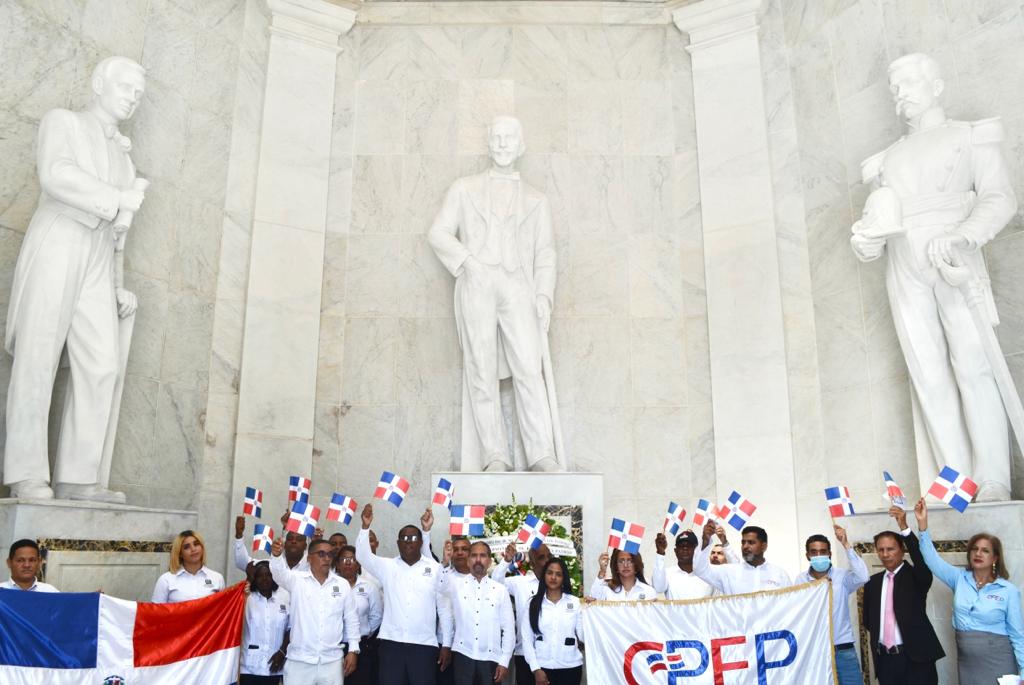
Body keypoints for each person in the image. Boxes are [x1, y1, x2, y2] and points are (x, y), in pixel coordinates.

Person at [850, 52, 1019, 501]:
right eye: (894, 88)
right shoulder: (885, 160)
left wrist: (966, 235)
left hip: (952, 251)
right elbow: (879, 218)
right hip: (904, 260)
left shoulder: (970, 136)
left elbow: (1000, 198)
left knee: (973, 364)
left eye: (908, 83)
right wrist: (867, 242)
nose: (900, 94)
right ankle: (955, 480)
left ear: (937, 86)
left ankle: (992, 477)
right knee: (927, 373)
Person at [3, 56, 148, 503]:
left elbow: (118, 234)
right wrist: (120, 196)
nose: (132, 99)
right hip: (60, 238)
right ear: (98, 83)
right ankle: (26, 473)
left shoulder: (125, 158)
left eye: (138, 94)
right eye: (125, 88)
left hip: (99, 257)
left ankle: (79, 478)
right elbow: (55, 175)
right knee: (38, 354)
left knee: (102, 364)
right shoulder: (62, 121)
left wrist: (116, 285)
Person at [428, 115, 562, 473]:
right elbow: (439, 233)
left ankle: (540, 454)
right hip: (477, 280)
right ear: (489, 144)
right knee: (481, 369)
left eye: (510, 138)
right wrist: (467, 262)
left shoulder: (537, 199)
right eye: (497, 138)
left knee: (529, 369)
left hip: (519, 285)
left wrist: (544, 296)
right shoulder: (464, 188)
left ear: (521, 146)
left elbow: (546, 252)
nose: (503, 144)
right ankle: (495, 455)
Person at [913, 497, 1024, 683]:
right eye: (974, 549)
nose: (978, 553)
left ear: (995, 558)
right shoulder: (958, 578)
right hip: (968, 663)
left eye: (985, 550)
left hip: (999, 661)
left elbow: (1018, 634)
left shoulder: (1008, 591)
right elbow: (931, 559)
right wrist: (922, 524)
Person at [356, 503, 453, 685]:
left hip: (424, 646)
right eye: (404, 538)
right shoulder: (387, 566)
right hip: (391, 644)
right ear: (398, 543)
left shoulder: (434, 568)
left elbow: (445, 609)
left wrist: (446, 644)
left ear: (421, 542)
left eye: (413, 537)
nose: (409, 541)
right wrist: (365, 527)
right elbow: (362, 556)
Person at [862, 506, 944, 684]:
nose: (885, 554)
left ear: (902, 550)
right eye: (880, 549)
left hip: (916, 659)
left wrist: (905, 527)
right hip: (886, 661)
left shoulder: (916, 577)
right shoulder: (872, 583)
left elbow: (922, 559)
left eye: (890, 549)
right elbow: (868, 621)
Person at [270, 536, 359, 685]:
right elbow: (279, 573)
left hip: (332, 662)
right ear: (309, 558)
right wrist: (277, 555)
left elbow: (351, 618)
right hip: (299, 661)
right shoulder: (296, 580)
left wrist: (353, 650)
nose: (326, 558)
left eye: (330, 554)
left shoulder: (342, 585)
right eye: (321, 554)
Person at [794, 525, 870, 685]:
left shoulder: (842, 576)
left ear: (829, 553)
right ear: (807, 555)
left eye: (822, 551)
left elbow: (863, 576)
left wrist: (846, 544)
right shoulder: (800, 581)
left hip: (842, 649)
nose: (818, 555)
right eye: (814, 552)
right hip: (815, 651)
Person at [447, 541, 514, 684]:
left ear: (489, 561)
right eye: (474, 556)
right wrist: (445, 561)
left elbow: (508, 629)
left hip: (491, 659)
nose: (478, 560)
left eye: (482, 556)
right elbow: (439, 587)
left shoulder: (500, 590)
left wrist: (504, 661)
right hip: (462, 655)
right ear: (468, 560)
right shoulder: (455, 586)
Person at [492, 541, 552, 685]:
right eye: (541, 558)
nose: (547, 561)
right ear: (531, 564)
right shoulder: (520, 583)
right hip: (525, 655)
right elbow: (496, 583)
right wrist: (506, 561)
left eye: (549, 556)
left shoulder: (560, 583)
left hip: (553, 656)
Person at [521, 558, 583, 685]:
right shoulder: (533, 603)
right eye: (550, 573)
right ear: (544, 575)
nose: (553, 577)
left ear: (563, 578)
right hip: (541, 668)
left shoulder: (575, 603)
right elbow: (527, 639)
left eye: (558, 574)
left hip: (570, 669)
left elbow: (584, 635)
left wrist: (593, 609)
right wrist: (536, 669)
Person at [692, 522, 790, 594]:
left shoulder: (780, 574)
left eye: (751, 543)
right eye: (743, 542)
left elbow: (789, 606)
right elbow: (700, 570)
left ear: (763, 546)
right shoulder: (729, 572)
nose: (745, 546)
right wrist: (705, 541)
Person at [335, 545, 383, 685]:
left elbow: (376, 616)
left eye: (352, 559)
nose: (348, 562)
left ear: (358, 564)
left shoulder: (369, 586)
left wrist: (364, 632)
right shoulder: (329, 586)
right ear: (337, 564)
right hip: (333, 646)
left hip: (361, 647)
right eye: (344, 559)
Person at [240, 561, 290, 685]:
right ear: (254, 579)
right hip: (249, 667)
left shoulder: (284, 595)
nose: (264, 579)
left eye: (268, 575)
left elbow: (290, 628)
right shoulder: (246, 597)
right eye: (260, 576)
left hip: (275, 665)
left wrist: (282, 652)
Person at [152, 530, 225, 602]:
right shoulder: (166, 580)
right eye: (186, 547)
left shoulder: (217, 578)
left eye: (196, 544)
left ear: (202, 547)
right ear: (180, 553)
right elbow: (155, 611)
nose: (193, 549)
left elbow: (223, 610)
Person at [235, 513, 309, 573]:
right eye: (290, 539)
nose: (294, 541)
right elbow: (243, 563)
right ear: (284, 545)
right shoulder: (272, 565)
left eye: (299, 539)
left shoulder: (311, 566)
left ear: (305, 546)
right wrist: (239, 535)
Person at [652, 530, 714, 600]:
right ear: (675, 551)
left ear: (696, 550)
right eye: (681, 546)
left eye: (689, 546)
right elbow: (658, 588)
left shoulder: (707, 574)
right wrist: (660, 553)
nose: (685, 548)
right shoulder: (667, 573)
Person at [589, 549, 656, 601]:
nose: (625, 565)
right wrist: (602, 571)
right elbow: (593, 602)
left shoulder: (648, 591)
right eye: (621, 561)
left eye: (630, 561)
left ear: (636, 564)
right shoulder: (606, 589)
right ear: (616, 566)